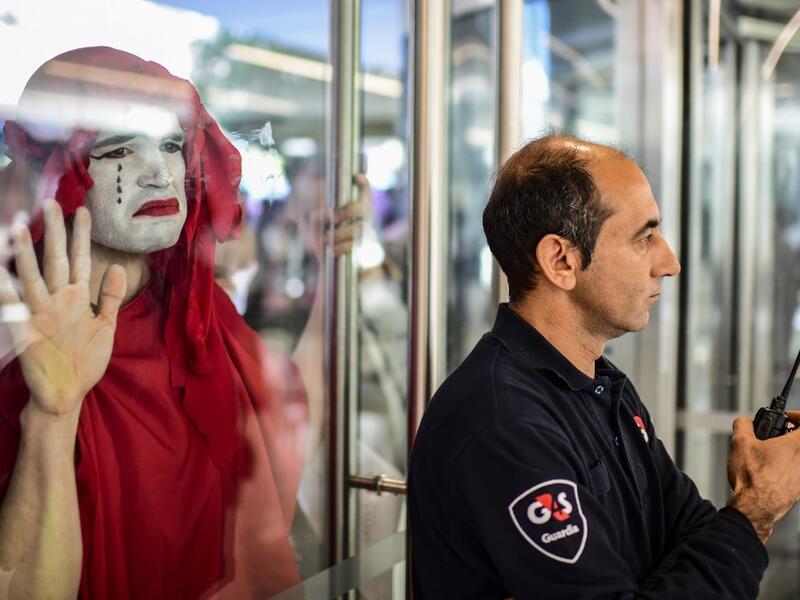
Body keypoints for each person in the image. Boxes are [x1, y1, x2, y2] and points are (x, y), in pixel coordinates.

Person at [0, 47, 351, 599]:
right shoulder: (14, 338)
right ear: (56, 172)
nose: (160, 172)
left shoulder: (200, 319)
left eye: (170, 145)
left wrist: (333, 280)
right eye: (119, 150)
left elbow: (289, 426)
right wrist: (53, 416)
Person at [408, 135, 800, 599]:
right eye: (645, 236)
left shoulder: (601, 385)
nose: (669, 263)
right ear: (562, 260)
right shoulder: (503, 425)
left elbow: (687, 532)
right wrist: (755, 509)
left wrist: (747, 506)